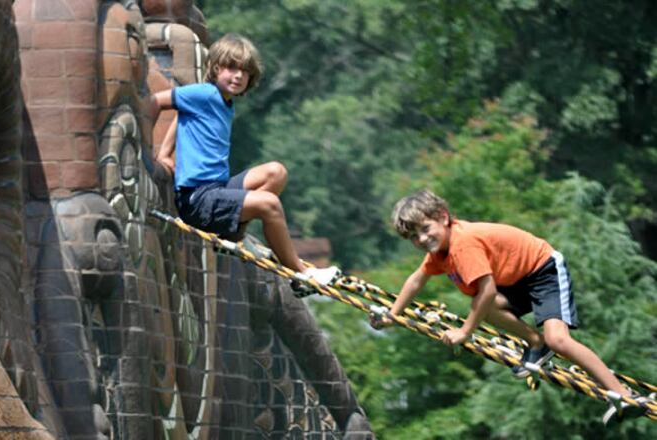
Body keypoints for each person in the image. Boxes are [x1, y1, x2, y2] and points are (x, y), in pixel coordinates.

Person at [376, 189, 647, 425]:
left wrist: (465, 332)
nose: (422, 239)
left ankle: (624, 396)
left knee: (559, 340)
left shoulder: (463, 244)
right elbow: (415, 280)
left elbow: (488, 290)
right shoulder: (438, 254)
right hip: (517, 280)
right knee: (487, 306)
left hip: (543, 270)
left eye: (425, 229)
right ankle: (535, 343)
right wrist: (392, 314)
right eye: (413, 236)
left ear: (443, 217)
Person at [146, 33, 339, 286]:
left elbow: (183, 116)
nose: (238, 75)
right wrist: (151, 152)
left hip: (217, 190)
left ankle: (232, 235)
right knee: (269, 204)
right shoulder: (205, 93)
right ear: (216, 69)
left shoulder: (225, 103)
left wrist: (166, 152)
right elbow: (154, 102)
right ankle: (300, 274)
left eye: (244, 71)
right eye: (231, 67)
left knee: (275, 172)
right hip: (197, 199)